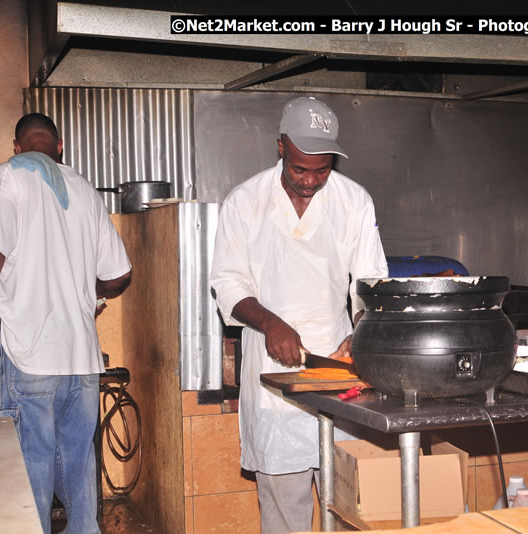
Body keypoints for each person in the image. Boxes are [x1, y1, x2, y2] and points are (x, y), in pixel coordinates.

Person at [210, 96, 388, 533]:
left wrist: (361, 330)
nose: (310, 180)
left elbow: (371, 282)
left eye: (322, 170)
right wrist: (271, 323)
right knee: (284, 512)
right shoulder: (245, 201)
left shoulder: (354, 201)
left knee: (350, 509)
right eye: (299, 168)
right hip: (273, 377)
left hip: (338, 370)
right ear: (280, 148)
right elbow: (228, 283)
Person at [0, 113, 132, 534]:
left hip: (29, 351)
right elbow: (118, 276)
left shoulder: (10, 175)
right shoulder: (85, 188)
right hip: (80, 357)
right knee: (78, 459)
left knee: (32, 462)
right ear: (59, 147)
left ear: (17, 146)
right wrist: (77, 284)